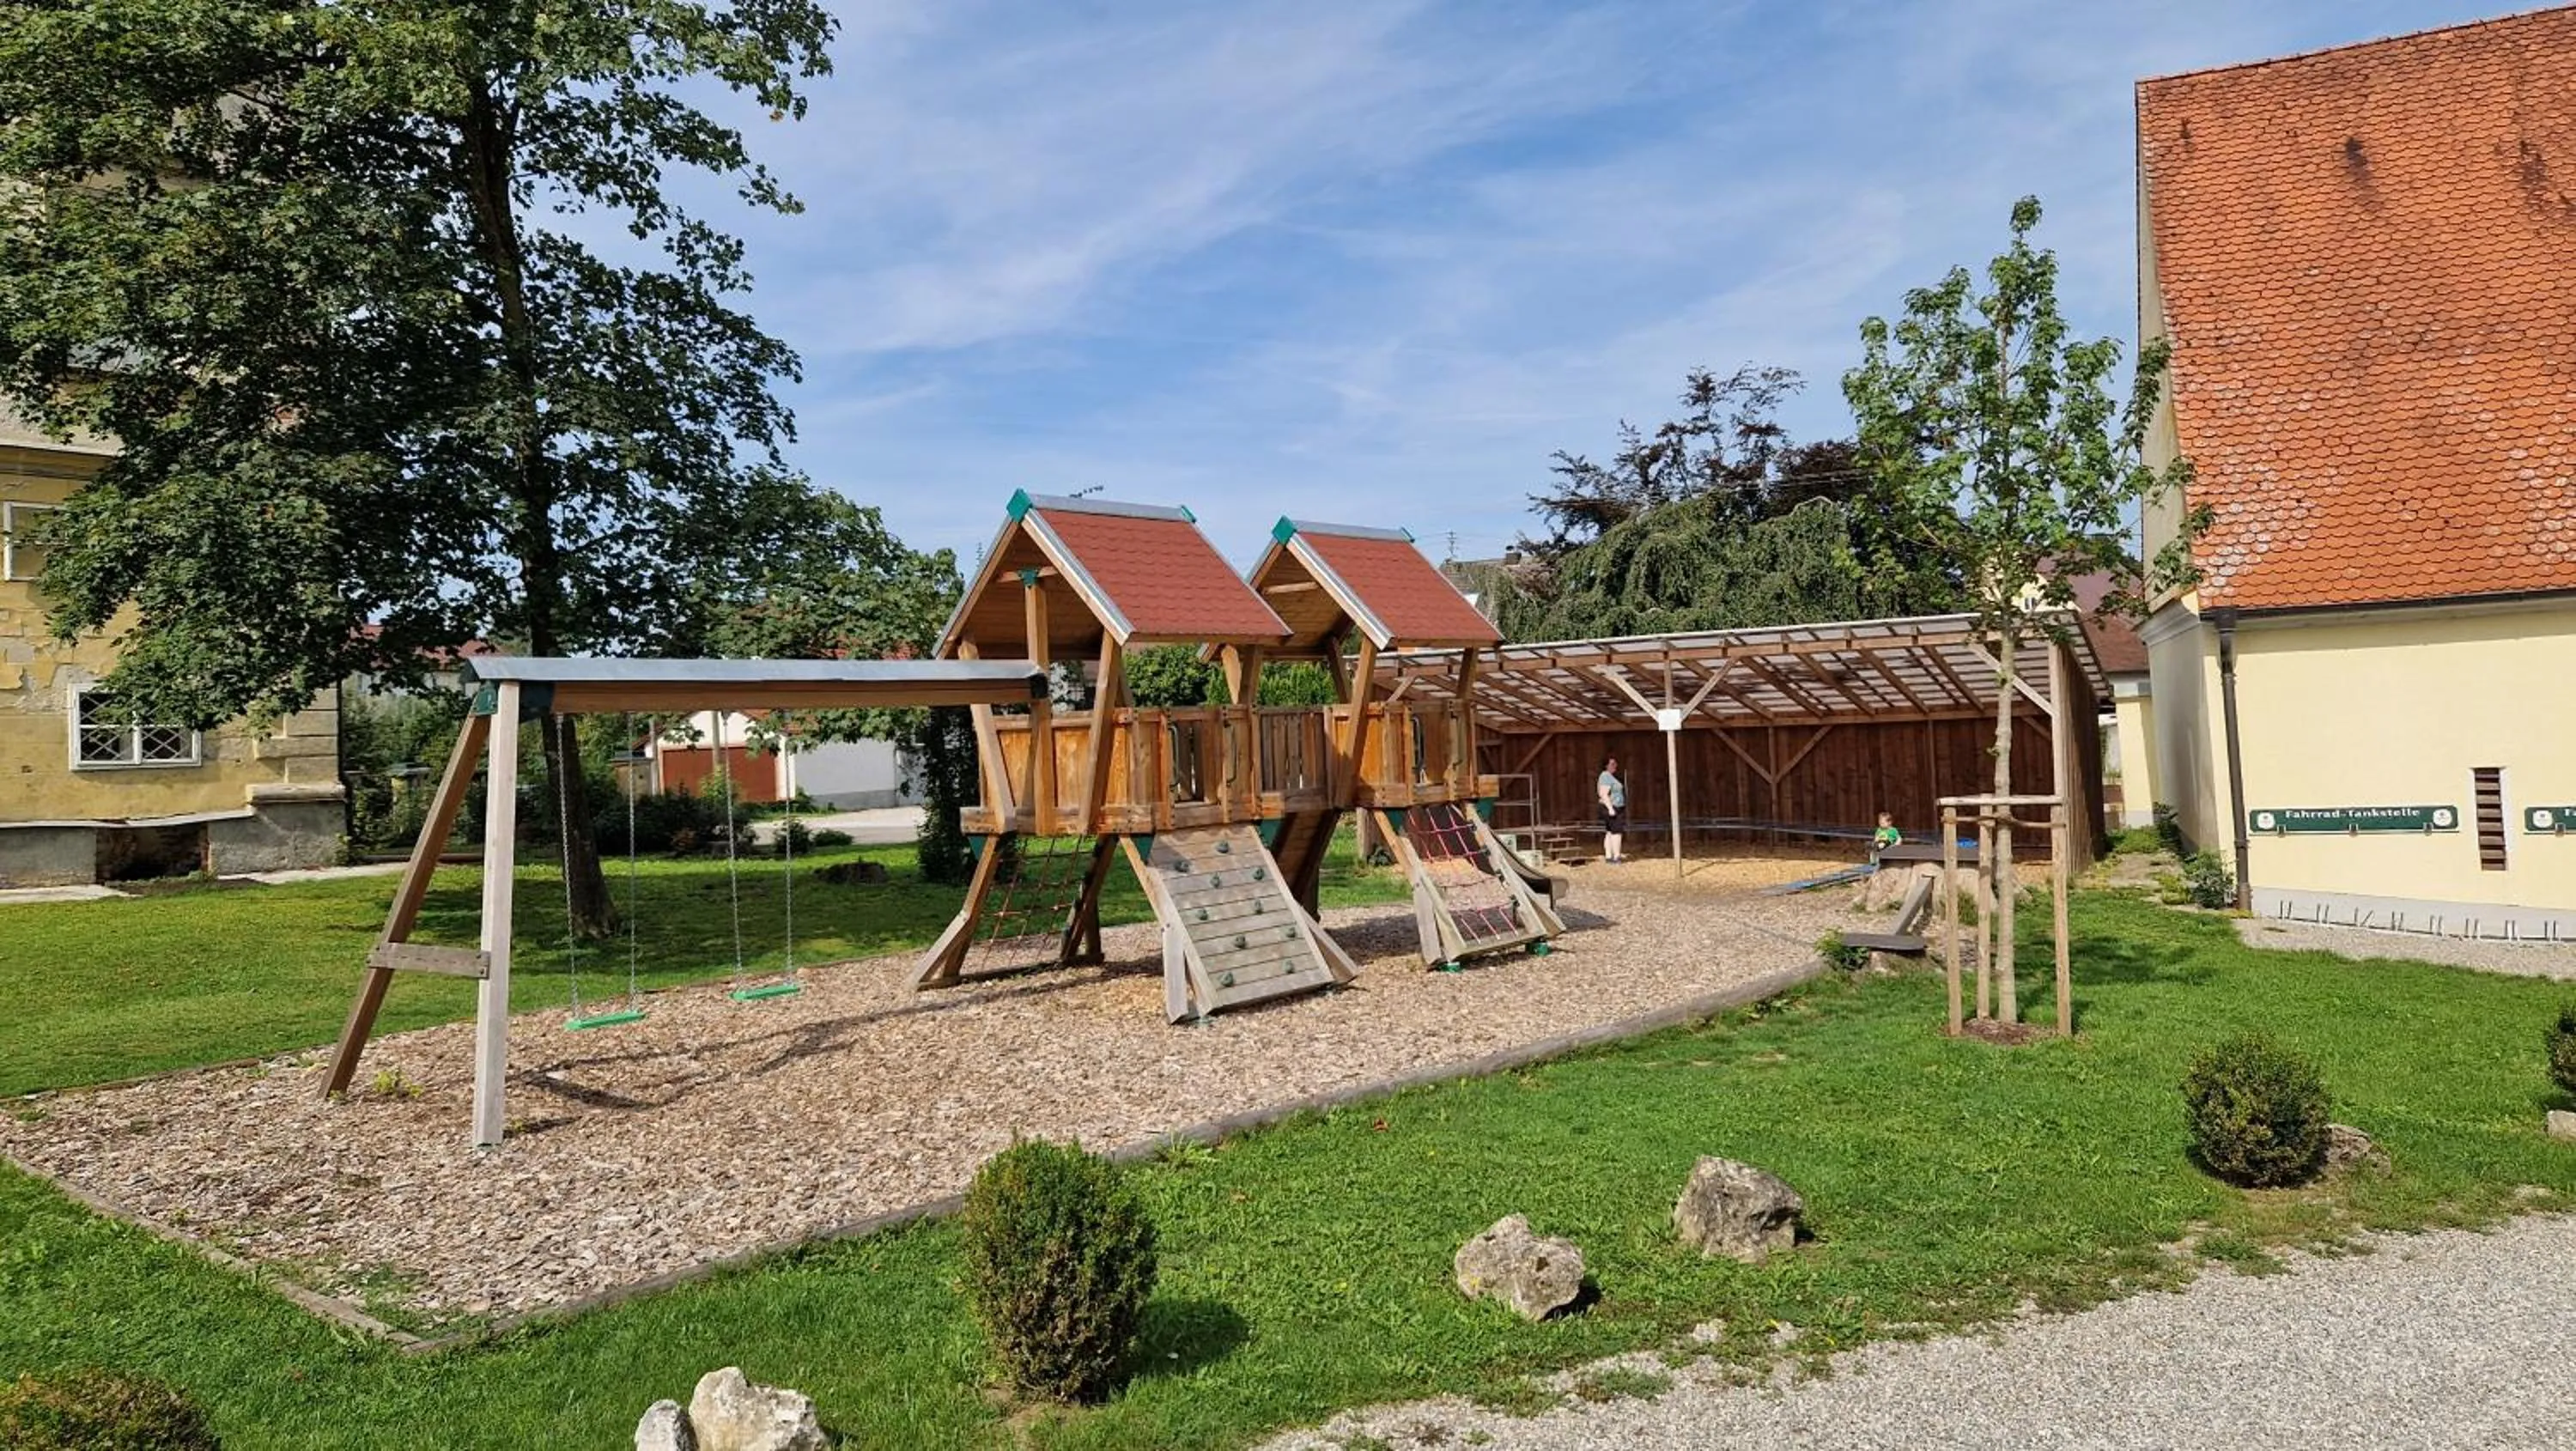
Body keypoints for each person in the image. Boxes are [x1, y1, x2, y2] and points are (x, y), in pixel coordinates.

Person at [1597, 756, 1626, 864]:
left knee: (1609, 832)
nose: (1615, 766)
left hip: (1613, 806)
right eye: (1612, 764)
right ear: (1606, 766)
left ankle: (1609, 856)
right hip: (1612, 807)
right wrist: (1610, 809)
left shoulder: (1610, 776)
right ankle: (1616, 856)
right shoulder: (1605, 776)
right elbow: (1603, 793)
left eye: (1615, 764)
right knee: (1617, 832)